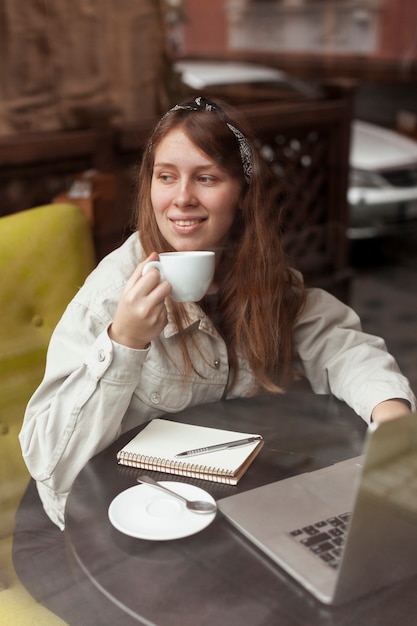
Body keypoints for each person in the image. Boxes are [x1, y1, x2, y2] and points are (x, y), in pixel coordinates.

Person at [13, 96, 416, 624]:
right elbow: (48, 458)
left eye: (206, 178)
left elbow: (339, 344)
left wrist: (393, 423)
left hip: (203, 515)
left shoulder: (258, 277)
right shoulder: (114, 292)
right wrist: (125, 341)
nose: (181, 198)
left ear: (242, 193)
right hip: (89, 536)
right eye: (165, 176)